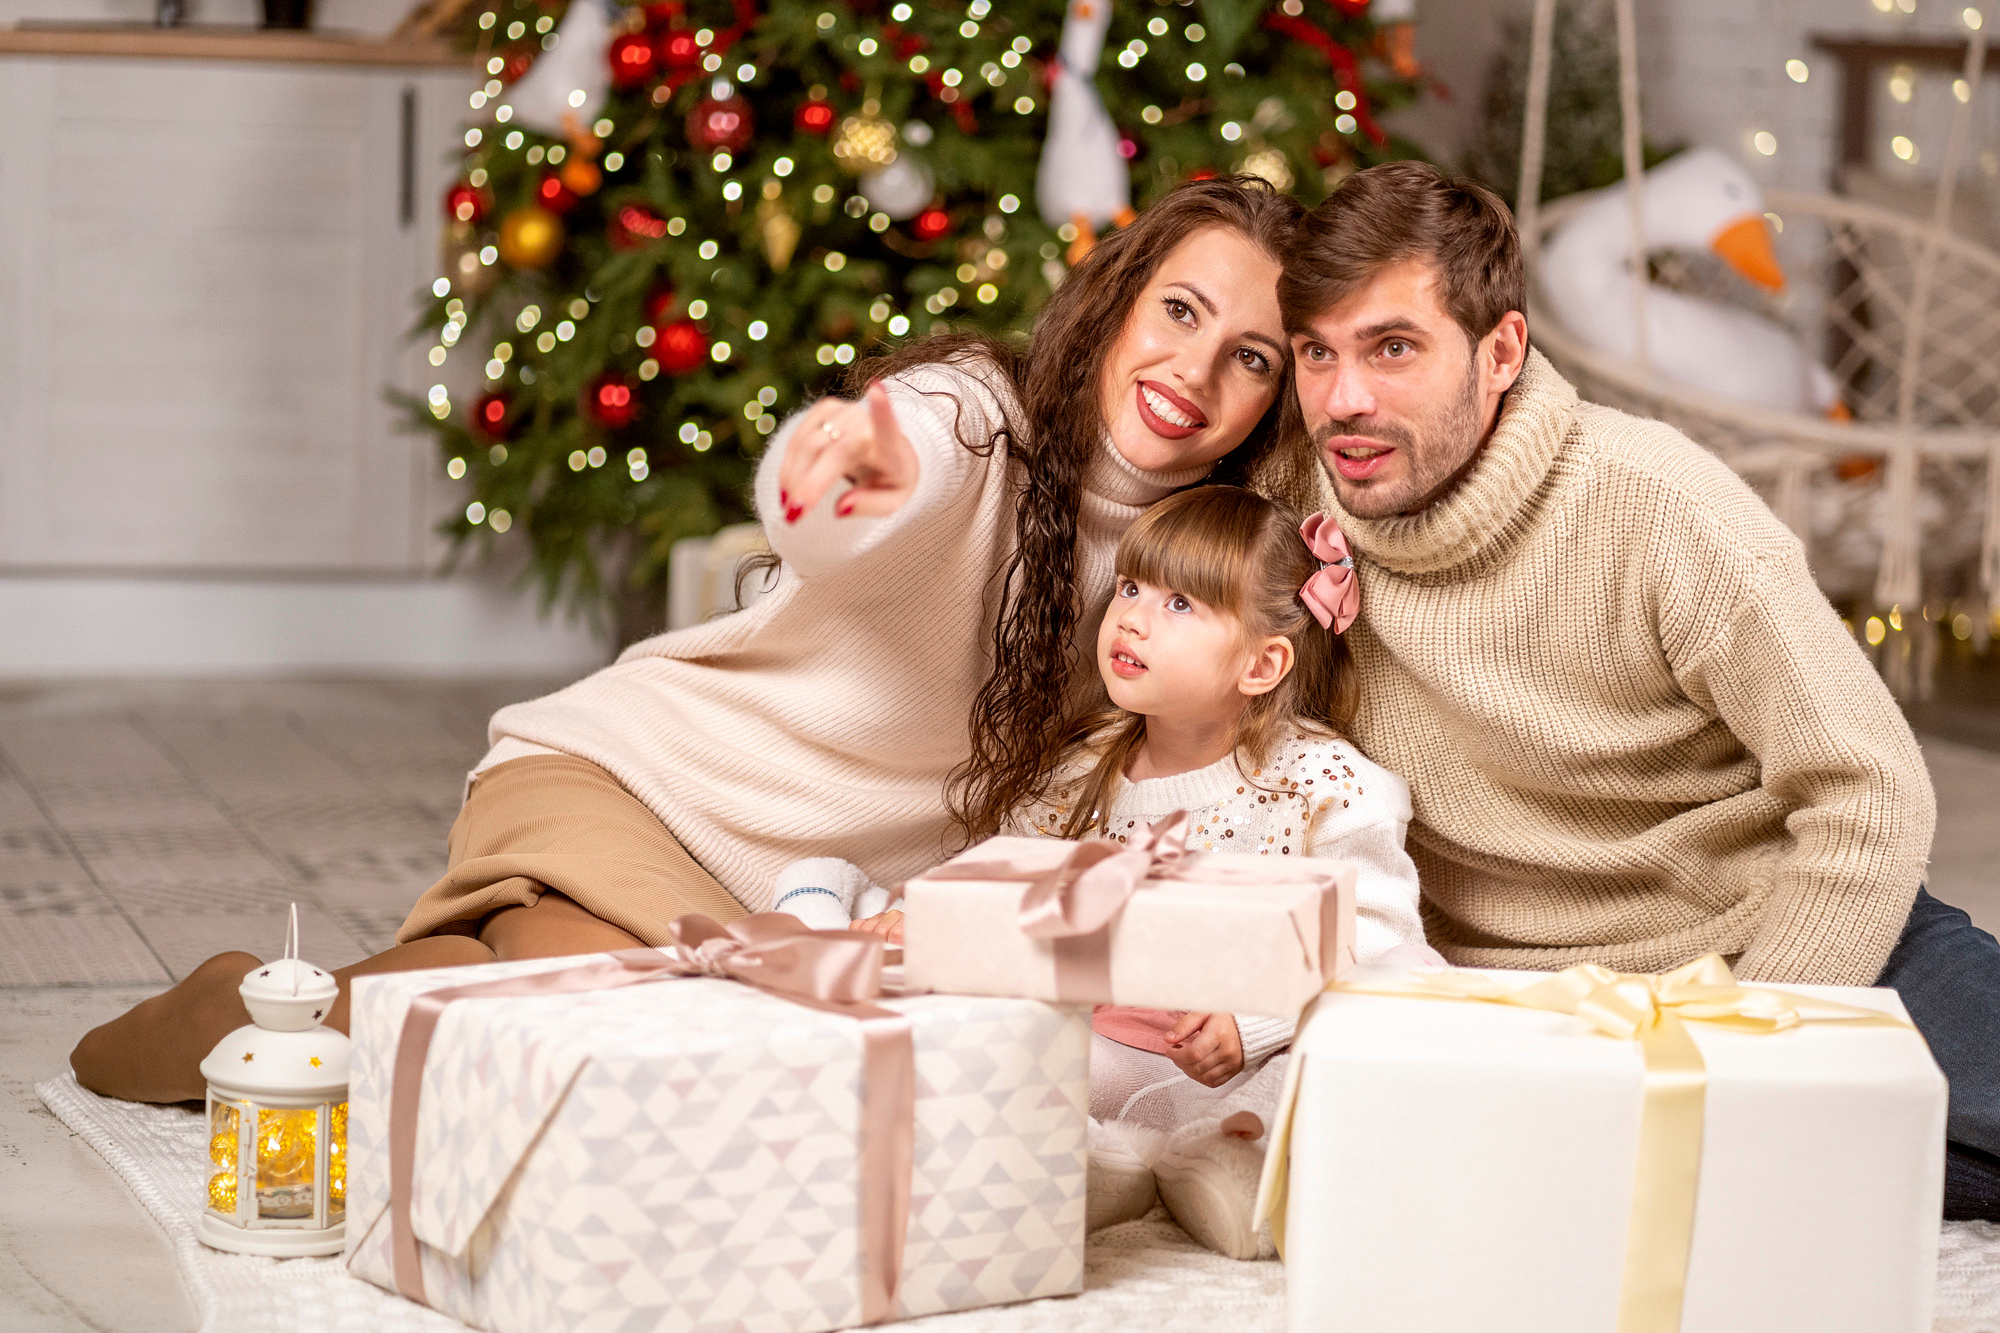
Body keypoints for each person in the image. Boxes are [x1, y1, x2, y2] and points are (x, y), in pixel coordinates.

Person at [70, 177, 1318, 1105]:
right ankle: (245, 1017)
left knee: (638, 1070)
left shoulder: (1207, 564)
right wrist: (840, 476)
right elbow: (869, 482)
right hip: (638, 792)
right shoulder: (975, 417)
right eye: (1179, 309)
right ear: (1116, 302)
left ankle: (283, 1004)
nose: (1192, 368)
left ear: (1273, 396)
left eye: (1247, 355)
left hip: (791, 905)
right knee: (649, 1054)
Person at [1278, 159, 2000, 1221]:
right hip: (1523, 1001)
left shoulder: (1658, 503)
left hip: (1779, 935)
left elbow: (1869, 792)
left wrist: (1742, 1043)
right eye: (1315, 354)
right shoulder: (1287, 512)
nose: (1344, 399)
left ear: (1501, 351)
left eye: (1393, 348)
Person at [852, 486, 1437, 1259]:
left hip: (1254, 1053)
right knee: (1011, 1041)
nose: (1130, 617)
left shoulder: (1324, 784)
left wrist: (1251, 1024)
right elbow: (1010, 866)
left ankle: (1233, 1159)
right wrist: (926, 913)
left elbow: (1376, 936)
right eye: (1131, 587)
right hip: (1116, 1047)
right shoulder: (1090, 765)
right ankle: (1106, 1160)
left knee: (1389, 1003)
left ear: (1263, 663)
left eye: (1181, 605)